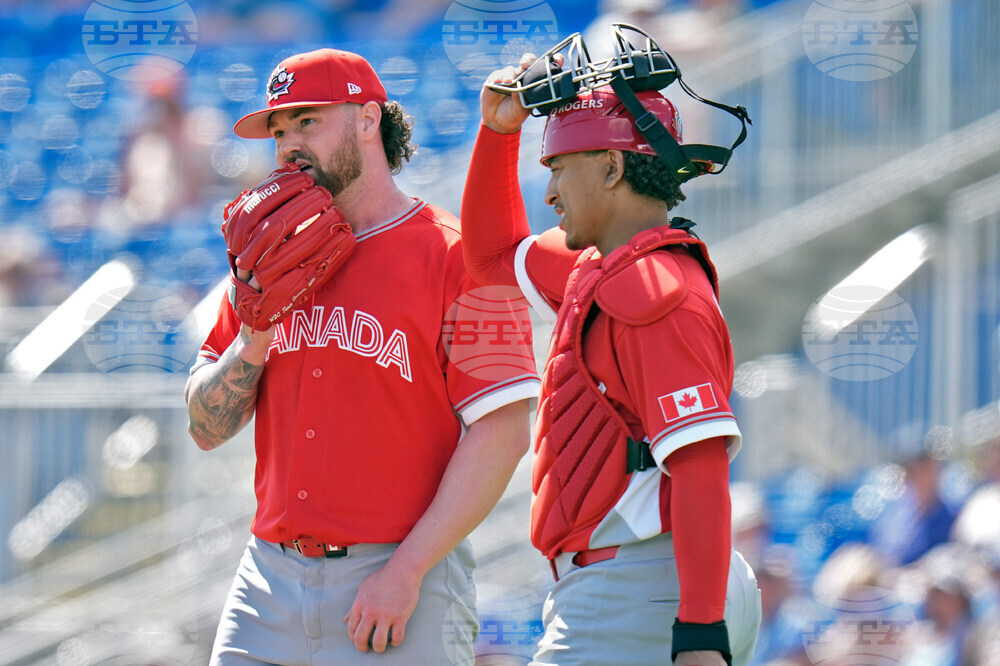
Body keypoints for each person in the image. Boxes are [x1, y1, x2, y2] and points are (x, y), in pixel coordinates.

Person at [185, 48, 540, 665]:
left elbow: (504, 430)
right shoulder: (265, 254)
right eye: (278, 129)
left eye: (308, 121)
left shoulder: (458, 256)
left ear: (368, 119)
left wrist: (407, 571)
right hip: (270, 575)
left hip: (402, 574)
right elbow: (205, 426)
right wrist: (255, 330)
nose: (288, 144)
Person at [460, 54, 761, 665]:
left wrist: (700, 636)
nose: (547, 191)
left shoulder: (654, 291)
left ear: (612, 165)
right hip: (648, 582)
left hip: (645, 586)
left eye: (560, 168)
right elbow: (491, 254)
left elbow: (701, 464)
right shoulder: (601, 269)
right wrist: (497, 130)